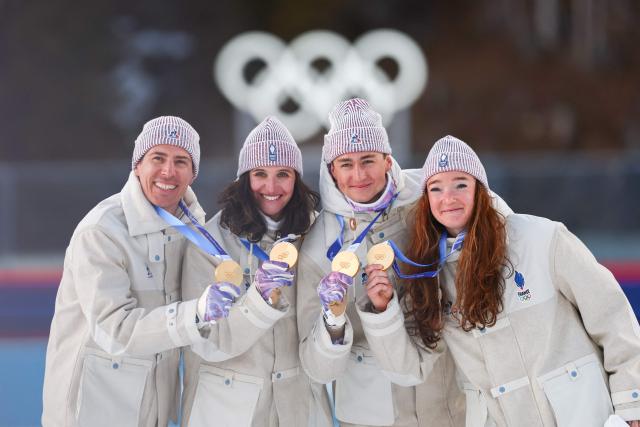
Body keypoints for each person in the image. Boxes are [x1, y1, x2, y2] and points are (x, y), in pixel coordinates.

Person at [359, 135, 640, 426]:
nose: (448, 197)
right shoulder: (430, 277)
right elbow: (409, 367)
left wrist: (633, 406)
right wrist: (383, 309)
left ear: (480, 190)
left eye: (460, 184)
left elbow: (613, 319)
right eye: (436, 188)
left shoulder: (542, 239)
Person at [42, 116, 234, 427]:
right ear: (137, 165)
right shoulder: (102, 231)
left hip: (151, 410)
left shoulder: (196, 233)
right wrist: (196, 314)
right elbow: (114, 330)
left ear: (193, 172)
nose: (168, 171)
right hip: (91, 412)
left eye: (181, 161)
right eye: (157, 158)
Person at [296, 98, 466, 427]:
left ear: (388, 161)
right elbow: (316, 368)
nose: (358, 174)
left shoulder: (429, 196)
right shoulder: (319, 245)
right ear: (332, 168)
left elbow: (489, 219)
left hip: (445, 397)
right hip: (369, 411)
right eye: (346, 163)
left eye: (368, 160)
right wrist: (332, 320)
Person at [180, 116, 332, 427]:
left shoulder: (319, 235)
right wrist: (258, 300)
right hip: (228, 410)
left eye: (283, 174)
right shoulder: (209, 243)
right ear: (243, 179)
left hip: (300, 406)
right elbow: (206, 341)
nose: (272, 187)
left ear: (297, 178)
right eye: (260, 174)